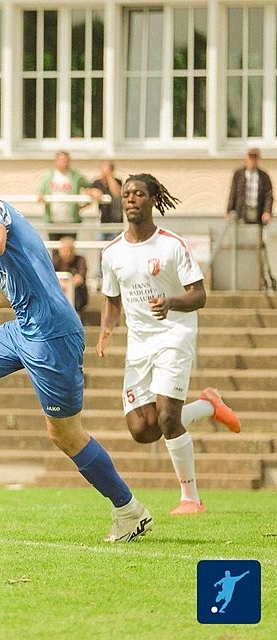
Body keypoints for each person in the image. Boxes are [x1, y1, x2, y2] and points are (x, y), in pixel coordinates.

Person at [0, 160, 153, 543]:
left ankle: (129, 510)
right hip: (23, 327)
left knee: (66, 436)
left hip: (51, 335)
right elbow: (1, 294)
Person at [97, 173, 242, 516]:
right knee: (142, 429)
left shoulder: (172, 245)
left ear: (152, 200)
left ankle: (191, 498)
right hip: (139, 344)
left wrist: (171, 302)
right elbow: (112, 300)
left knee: (167, 416)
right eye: (127, 194)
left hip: (174, 335)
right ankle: (207, 405)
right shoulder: (111, 252)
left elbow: (199, 295)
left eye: (139, 193)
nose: (131, 199)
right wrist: (106, 330)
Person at [37, 151, 93, 241]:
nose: (64, 162)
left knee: (69, 246)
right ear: (56, 161)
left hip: (70, 220)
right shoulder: (49, 176)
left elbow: (90, 187)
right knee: (54, 247)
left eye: (66, 160)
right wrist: (41, 195)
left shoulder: (76, 176)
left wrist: (83, 204)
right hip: (53, 220)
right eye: (61, 160)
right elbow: (40, 192)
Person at [226, 147, 273, 226]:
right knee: (239, 231)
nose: (252, 160)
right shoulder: (238, 174)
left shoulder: (264, 176)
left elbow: (268, 195)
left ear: (258, 159)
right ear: (246, 158)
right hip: (241, 212)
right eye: (250, 157)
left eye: (255, 158)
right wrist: (229, 210)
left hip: (257, 212)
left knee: (256, 231)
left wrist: (267, 211)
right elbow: (233, 193)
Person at [52, 236, 89, 314]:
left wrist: (66, 286)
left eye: (71, 250)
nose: (68, 253)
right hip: (59, 294)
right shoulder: (55, 261)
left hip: (77, 296)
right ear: (60, 251)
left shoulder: (80, 260)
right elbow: (49, 279)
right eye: (65, 251)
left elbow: (79, 279)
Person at [89, 160, 123, 241]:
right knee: (100, 246)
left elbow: (116, 193)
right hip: (101, 222)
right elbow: (87, 190)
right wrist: (92, 191)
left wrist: (109, 176)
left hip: (115, 222)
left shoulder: (118, 181)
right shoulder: (97, 183)